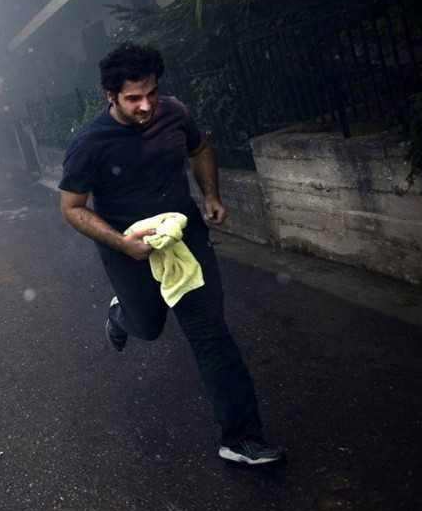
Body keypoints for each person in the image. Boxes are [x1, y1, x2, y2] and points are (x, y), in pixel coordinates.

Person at [58, 42, 284, 466]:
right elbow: (72, 208)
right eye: (133, 99)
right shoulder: (89, 143)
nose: (146, 106)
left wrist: (211, 194)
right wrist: (124, 244)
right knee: (147, 326)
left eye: (151, 94)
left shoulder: (174, 113)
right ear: (110, 96)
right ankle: (122, 313)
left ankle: (241, 438)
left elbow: (200, 149)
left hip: (185, 241)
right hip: (128, 248)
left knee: (211, 335)